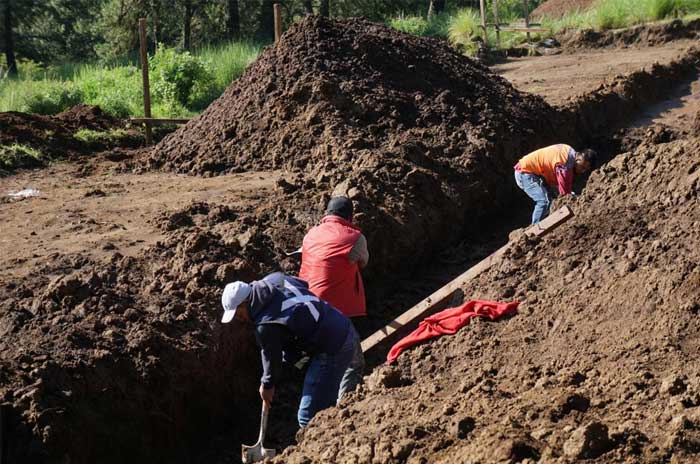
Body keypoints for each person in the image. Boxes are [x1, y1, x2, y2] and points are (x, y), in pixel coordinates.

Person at [220, 272, 359, 428]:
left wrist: (267, 386)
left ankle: (336, 435)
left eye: (239, 314)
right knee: (297, 361)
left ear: (245, 303)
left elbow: (272, 360)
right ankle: (339, 402)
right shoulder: (275, 279)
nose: (241, 319)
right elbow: (303, 286)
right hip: (341, 322)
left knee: (307, 419)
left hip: (334, 346)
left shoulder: (266, 326)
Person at [298, 196, 367, 398]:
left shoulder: (310, 235)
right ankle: (344, 407)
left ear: (326, 214)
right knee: (353, 363)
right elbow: (363, 262)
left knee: (321, 358)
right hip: (335, 311)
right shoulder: (355, 238)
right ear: (350, 216)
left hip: (306, 306)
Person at [514, 144, 597, 224]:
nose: (582, 171)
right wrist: (572, 198)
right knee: (544, 201)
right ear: (578, 158)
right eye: (582, 167)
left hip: (537, 174)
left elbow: (559, 186)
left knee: (552, 198)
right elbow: (564, 194)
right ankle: (535, 230)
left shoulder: (568, 151)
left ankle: (544, 223)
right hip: (524, 172)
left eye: (585, 169)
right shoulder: (565, 165)